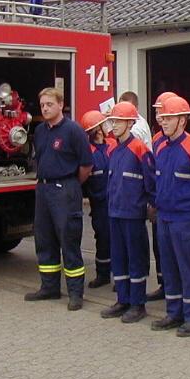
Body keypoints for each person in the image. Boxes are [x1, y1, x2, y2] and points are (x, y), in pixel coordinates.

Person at [151, 96, 190, 337]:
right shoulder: (160, 146)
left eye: (169, 118)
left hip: (186, 218)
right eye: (163, 117)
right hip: (164, 216)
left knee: (188, 268)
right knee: (169, 267)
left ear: (182, 120)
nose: (164, 122)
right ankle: (174, 312)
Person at [25, 87, 93, 311]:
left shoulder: (74, 130)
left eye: (49, 104)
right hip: (43, 189)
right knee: (44, 239)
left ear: (61, 105)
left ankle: (75, 293)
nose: (45, 108)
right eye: (42, 105)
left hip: (65, 188)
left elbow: (86, 165)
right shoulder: (40, 131)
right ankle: (49, 287)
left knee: (68, 240)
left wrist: (70, 184)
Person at [100, 101, 156, 323]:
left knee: (136, 259)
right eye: (113, 121)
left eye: (119, 121)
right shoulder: (113, 150)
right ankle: (122, 300)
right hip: (115, 213)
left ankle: (137, 304)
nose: (114, 125)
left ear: (131, 123)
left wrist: (150, 207)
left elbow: (151, 183)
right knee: (119, 259)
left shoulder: (140, 149)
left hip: (133, 215)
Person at [146, 91, 179, 301]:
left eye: (163, 111)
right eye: (157, 112)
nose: (159, 116)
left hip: (177, 207)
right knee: (160, 247)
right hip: (159, 202)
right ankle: (164, 284)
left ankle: (177, 289)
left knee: (177, 252)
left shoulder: (183, 142)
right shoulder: (157, 139)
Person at [80, 110, 116, 289]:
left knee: (118, 239)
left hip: (116, 201)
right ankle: (103, 274)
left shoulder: (113, 145)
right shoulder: (88, 152)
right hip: (99, 204)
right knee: (102, 238)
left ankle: (120, 276)